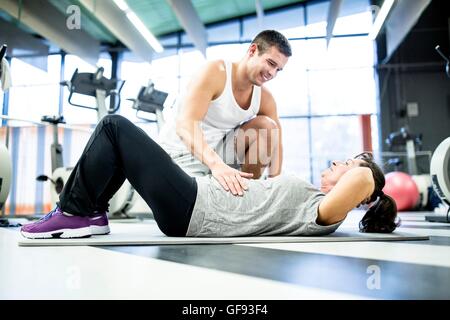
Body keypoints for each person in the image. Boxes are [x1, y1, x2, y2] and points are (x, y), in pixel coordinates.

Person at [21, 115, 399, 239]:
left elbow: (364, 182)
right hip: (196, 197)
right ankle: (90, 213)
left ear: (358, 193)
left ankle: (74, 212)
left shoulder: (323, 213)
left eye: (344, 165)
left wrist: (365, 173)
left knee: (113, 127)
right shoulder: (315, 198)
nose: (337, 164)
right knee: (121, 149)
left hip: (196, 208)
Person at [158, 30, 292, 196]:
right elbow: (185, 126)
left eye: (278, 69)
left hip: (218, 157)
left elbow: (276, 142)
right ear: (252, 51)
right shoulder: (216, 72)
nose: (272, 73)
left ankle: (246, 196)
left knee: (267, 127)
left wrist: (276, 185)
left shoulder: (264, 98)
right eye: (271, 63)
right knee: (190, 209)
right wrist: (216, 165)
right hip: (180, 154)